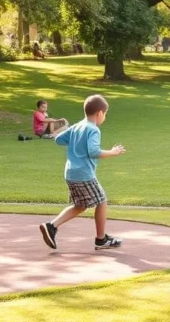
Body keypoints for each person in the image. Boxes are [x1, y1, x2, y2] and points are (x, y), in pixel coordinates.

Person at [39, 95, 126, 250]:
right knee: (102, 201)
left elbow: (58, 139)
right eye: (105, 114)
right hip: (83, 173)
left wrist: (73, 135)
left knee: (80, 205)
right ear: (100, 113)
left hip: (71, 172)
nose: (104, 117)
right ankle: (101, 239)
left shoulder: (78, 126)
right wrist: (113, 152)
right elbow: (93, 151)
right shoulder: (93, 129)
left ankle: (51, 226)